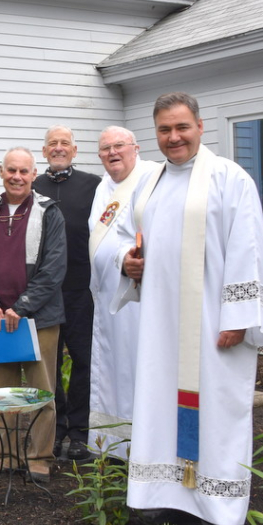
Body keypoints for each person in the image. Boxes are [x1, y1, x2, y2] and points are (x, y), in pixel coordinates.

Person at [120, 92, 263, 525]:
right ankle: (172, 501)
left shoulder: (229, 178)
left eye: (181, 128)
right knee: (163, 408)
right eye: (165, 130)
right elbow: (134, 245)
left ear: (200, 126)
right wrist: (128, 264)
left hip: (214, 328)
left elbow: (247, 247)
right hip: (161, 326)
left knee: (217, 414)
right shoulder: (148, 185)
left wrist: (238, 316)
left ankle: (222, 523)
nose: (173, 138)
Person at [0, 147, 67, 483]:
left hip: (38, 320)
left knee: (41, 393)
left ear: (33, 175)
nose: (17, 177)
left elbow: (54, 269)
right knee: (3, 395)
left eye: (24, 171)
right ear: (1, 171)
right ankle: (7, 456)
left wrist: (20, 308)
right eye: (12, 170)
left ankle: (39, 458)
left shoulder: (49, 213)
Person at [31, 125, 101, 462]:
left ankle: (79, 433)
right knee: (49, 365)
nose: (58, 148)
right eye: (52, 144)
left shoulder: (93, 186)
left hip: (82, 291)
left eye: (65, 144)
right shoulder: (33, 187)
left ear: (74, 151)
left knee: (86, 363)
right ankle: (55, 429)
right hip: (45, 293)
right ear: (44, 152)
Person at [86, 126, 156, 459]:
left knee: (140, 372)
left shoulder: (154, 179)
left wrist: (127, 258)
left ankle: (145, 447)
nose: (112, 153)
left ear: (136, 148)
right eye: (105, 149)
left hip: (142, 297)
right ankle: (114, 447)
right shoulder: (103, 187)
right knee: (114, 372)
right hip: (108, 300)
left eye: (119, 146)